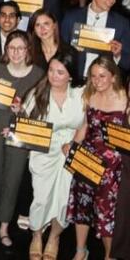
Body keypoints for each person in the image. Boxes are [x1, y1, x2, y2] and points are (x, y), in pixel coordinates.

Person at [0, 31, 44, 252]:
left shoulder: (38, 75)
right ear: (6, 49)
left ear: (28, 50)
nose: (16, 53)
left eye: (20, 48)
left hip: (20, 135)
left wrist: (21, 111)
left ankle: (4, 228)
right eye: (11, 48)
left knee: (13, 180)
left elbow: (40, 113)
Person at [23, 53, 85, 260]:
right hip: (44, 151)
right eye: (51, 70)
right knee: (41, 198)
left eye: (60, 72)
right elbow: (25, 126)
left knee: (65, 199)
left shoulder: (81, 94)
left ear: (70, 75)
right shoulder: (36, 93)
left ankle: (54, 238)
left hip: (70, 151)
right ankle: (37, 235)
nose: (53, 76)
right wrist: (14, 132)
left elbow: (85, 123)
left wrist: (75, 143)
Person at [67, 56, 127, 260]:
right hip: (87, 158)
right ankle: (80, 250)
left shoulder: (125, 98)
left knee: (106, 211)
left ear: (113, 76)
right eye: (93, 76)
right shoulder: (90, 95)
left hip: (113, 165)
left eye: (102, 76)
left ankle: (110, 255)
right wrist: (73, 146)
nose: (97, 80)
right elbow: (85, 126)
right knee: (82, 204)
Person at [60, 0, 130, 80]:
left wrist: (118, 55)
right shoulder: (72, 17)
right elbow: (61, 48)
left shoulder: (121, 23)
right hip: (75, 79)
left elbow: (127, 63)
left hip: (103, 82)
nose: (112, 0)